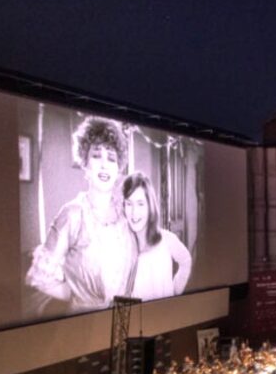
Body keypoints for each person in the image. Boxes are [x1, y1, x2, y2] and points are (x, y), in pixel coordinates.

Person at [26, 116, 135, 313]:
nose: (104, 164)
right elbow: (40, 278)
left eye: (111, 158)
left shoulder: (126, 214)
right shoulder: (73, 214)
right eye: (96, 155)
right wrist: (75, 293)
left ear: (119, 167)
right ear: (84, 162)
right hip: (83, 324)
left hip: (122, 319)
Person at [122, 172, 192, 300]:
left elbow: (186, 260)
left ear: (150, 206)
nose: (134, 212)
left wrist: (175, 291)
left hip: (165, 316)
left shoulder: (167, 239)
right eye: (129, 204)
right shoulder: (123, 245)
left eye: (140, 204)